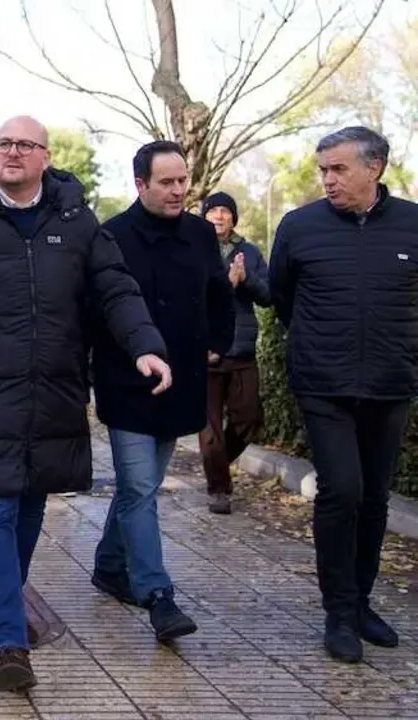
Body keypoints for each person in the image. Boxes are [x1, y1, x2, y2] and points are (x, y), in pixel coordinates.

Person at [0, 115, 170, 693]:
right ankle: (9, 641)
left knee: (29, 512)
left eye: (25, 145)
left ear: (46, 156)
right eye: (4, 143)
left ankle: (5, 605)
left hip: (54, 393)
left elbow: (116, 289)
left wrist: (145, 346)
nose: (13, 153)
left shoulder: (76, 222)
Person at [270, 126, 418, 663]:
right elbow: (282, 298)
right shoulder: (299, 226)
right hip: (323, 383)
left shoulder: (412, 224)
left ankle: (360, 604)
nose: (328, 180)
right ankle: (338, 612)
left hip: (390, 383)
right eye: (323, 170)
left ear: (374, 167)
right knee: (343, 491)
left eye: (338, 169)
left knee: (375, 496)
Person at [90, 141, 234, 643]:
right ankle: (157, 594)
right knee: (138, 487)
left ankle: (110, 565)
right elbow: (96, 310)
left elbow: (220, 294)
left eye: (182, 181)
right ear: (140, 184)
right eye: (167, 182)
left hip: (184, 381)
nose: (178, 191)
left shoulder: (199, 233)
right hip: (127, 382)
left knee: (141, 485)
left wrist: (218, 344)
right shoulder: (111, 236)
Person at [198, 191, 271, 514]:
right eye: (213, 211)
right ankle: (218, 489)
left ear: (233, 218)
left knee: (248, 419)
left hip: (240, 351)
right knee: (209, 429)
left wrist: (245, 279)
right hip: (205, 349)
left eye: (225, 211)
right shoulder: (194, 249)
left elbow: (268, 295)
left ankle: (216, 466)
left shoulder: (249, 252)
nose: (218, 216)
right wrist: (225, 284)